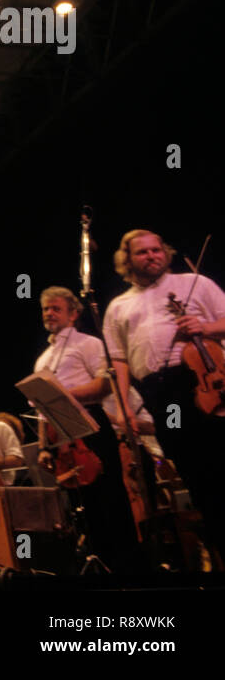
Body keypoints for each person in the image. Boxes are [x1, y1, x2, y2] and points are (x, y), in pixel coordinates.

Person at [102, 229, 225, 557]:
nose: (152, 256)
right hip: (159, 393)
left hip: (200, 378)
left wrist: (205, 327)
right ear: (127, 261)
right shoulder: (118, 307)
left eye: (157, 250)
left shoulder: (192, 282)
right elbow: (118, 359)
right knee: (193, 469)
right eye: (142, 252)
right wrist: (125, 405)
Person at [33, 286, 143, 572]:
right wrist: (44, 446)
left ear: (74, 313)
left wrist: (64, 394)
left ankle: (127, 566)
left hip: (90, 424)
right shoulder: (43, 358)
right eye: (46, 309)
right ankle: (99, 563)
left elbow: (103, 385)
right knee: (83, 504)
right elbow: (41, 409)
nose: (49, 313)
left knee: (109, 497)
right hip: (60, 431)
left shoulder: (89, 343)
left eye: (56, 308)